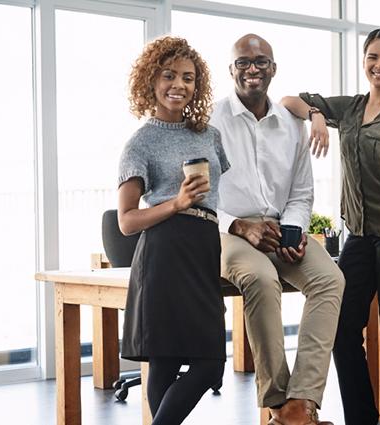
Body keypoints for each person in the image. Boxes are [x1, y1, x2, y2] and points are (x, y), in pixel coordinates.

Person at [282, 28, 380, 425]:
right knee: (343, 327)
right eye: (373, 57)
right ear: (364, 61)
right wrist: (316, 114)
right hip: (360, 236)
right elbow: (288, 101)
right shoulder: (349, 108)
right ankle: (362, 418)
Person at [210, 33, 344, 425]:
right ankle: (277, 401)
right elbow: (201, 200)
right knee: (260, 278)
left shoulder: (291, 123)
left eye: (261, 62)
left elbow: (302, 192)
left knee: (330, 280)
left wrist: (292, 230)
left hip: (278, 227)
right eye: (244, 63)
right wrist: (239, 225)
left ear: (273, 68)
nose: (253, 69)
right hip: (227, 230)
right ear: (231, 70)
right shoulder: (209, 122)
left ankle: (301, 402)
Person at [118, 36, 229, 425]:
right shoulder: (140, 143)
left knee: (211, 362)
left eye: (188, 77)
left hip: (204, 247)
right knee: (165, 362)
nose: (178, 85)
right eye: (169, 76)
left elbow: (220, 195)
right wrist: (177, 203)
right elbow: (127, 221)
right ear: (151, 80)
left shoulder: (209, 134)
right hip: (163, 251)